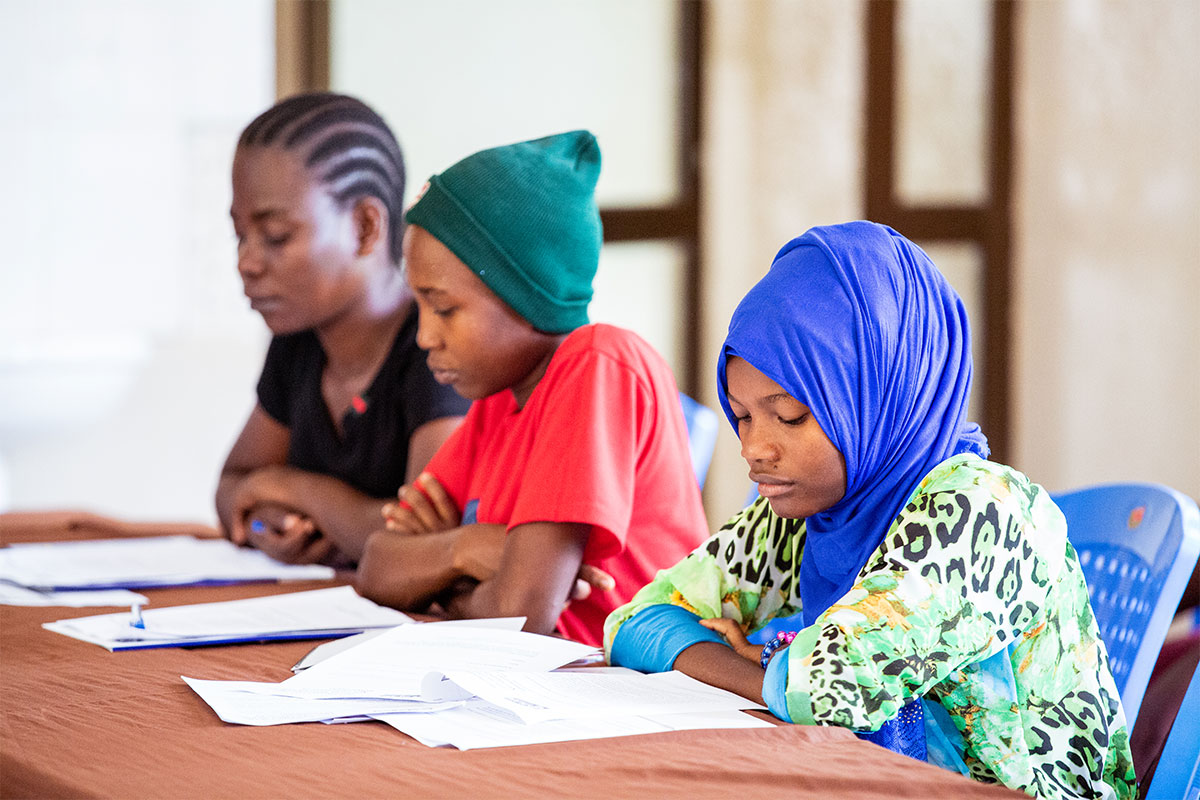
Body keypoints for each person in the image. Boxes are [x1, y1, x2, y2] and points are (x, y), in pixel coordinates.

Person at [604, 222, 1136, 799]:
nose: (754, 448)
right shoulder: (809, 510)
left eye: (789, 417)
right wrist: (772, 671)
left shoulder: (985, 509)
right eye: (743, 415)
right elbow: (636, 622)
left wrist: (758, 658)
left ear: (880, 389)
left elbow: (833, 687)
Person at [354, 130, 709, 646]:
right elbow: (377, 567)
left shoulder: (598, 365)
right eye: (420, 307)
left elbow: (520, 617)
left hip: (633, 689)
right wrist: (468, 548)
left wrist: (440, 588)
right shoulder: (499, 399)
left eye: (445, 307)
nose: (425, 336)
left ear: (525, 294)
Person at [216, 93, 471, 566]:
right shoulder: (299, 342)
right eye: (239, 234)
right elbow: (233, 486)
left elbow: (419, 539)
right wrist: (264, 523)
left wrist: (296, 488)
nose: (246, 262)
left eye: (276, 236)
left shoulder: (435, 346)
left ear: (364, 227)